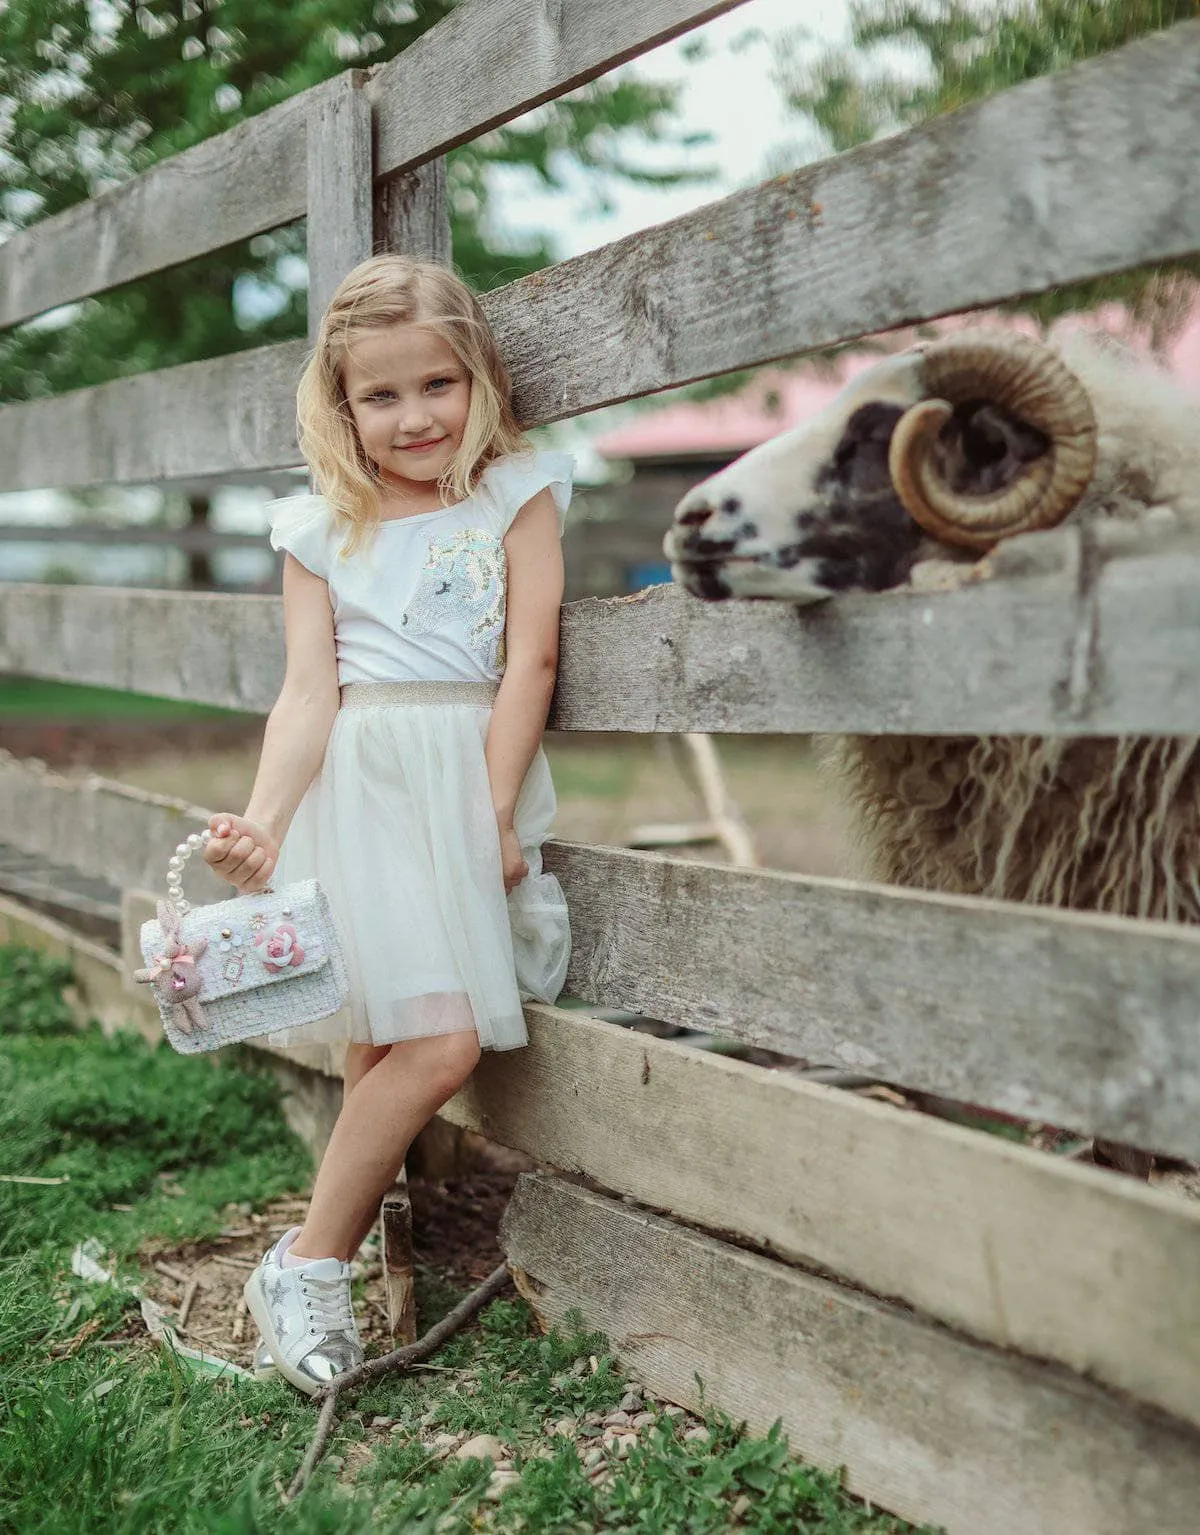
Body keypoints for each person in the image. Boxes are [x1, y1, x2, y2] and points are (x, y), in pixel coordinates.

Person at [202, 255, 572, 1397]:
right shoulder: (320, 526)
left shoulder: (516, 494)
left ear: (480, 380)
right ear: (342, 401)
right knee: (428, 1041)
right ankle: (310, 1265)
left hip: (463, 774)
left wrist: (493, 803)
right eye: (382, 395)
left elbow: (532, 661)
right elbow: (309, 692)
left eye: (437, 384)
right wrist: (266, 819)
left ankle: (311, 1263)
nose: (414, 416)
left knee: (403, 1043)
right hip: (359, 789)